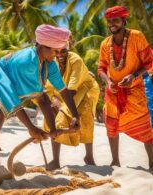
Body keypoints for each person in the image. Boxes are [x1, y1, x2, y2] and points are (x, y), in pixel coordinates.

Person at [0, 24, 80, 174]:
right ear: (41, 46)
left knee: (41, 98)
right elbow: (12, 99)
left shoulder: (49, 64)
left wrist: (73, 116)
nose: (57, 54)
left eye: (59, 50)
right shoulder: (26, 62)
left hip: (9, 83)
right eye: (54, 50)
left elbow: (57, 93)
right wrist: (31, 128)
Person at [98, 6, 153, 168]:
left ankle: (152, 163)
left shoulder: (136, 36)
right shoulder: (104, 43)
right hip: (113, 92)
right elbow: (101, 68)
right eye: (109, 21)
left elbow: (149, 62)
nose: (111, 24)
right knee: (111, 124)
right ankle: (115, 160)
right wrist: (108, 82)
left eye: (115, 20)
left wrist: (133, 76)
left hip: (134, 90)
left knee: (144, 127)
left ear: (123, 20)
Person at [44, 44, 100, 170]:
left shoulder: (76, 60)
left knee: (85, 117)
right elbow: (48, 88)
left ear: (68, 50)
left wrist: (66, 108)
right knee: (54, 118)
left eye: (63, 51)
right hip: (62, 93)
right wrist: (54, 101)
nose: (59, 55)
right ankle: (55, 161)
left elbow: (71, 89)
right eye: (56, 51)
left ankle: (89, 157)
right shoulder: (51, 62)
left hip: (83, 89)